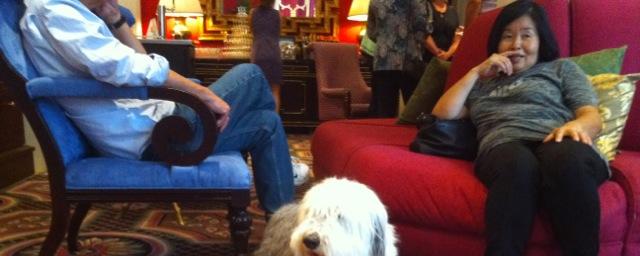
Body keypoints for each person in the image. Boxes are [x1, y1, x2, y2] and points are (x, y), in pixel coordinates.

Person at [432, 0, 609, 256]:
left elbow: (592, 116)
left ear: (541, 40)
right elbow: (445, 111)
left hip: (559, 141)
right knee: (517, 166)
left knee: (564, 161)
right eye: (508, 36)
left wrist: (576, 127)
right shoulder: (483, 82)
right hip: (504, 146)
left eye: (526, 35)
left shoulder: (561, 70)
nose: (516, 45)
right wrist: (473, 72)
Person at [20, 0, 297, 216]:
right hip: (153, 136)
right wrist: (203, 95)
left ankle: (282, 232)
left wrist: (115, 19)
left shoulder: (74, 13)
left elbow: (137, 60)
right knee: (251, 74)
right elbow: (125, 67)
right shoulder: (56, 12)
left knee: (266, 124)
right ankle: (287, 171)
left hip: (159, 122)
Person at [249, 0, 309, 186]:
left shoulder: (252, 13)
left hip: (258, 53)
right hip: (274, 53)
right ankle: (275, 121)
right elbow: (277, 34)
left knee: (258, 89)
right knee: (275, 89)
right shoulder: (277, 15)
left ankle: (258, 120)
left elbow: (254, 35)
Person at [366, 0, 433, 117]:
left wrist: (385, 39)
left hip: (383, 60)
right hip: (410, 60)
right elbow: (423, 28)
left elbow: (371, 32)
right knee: (416, 111)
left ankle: (383, 135)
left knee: (383, 112)